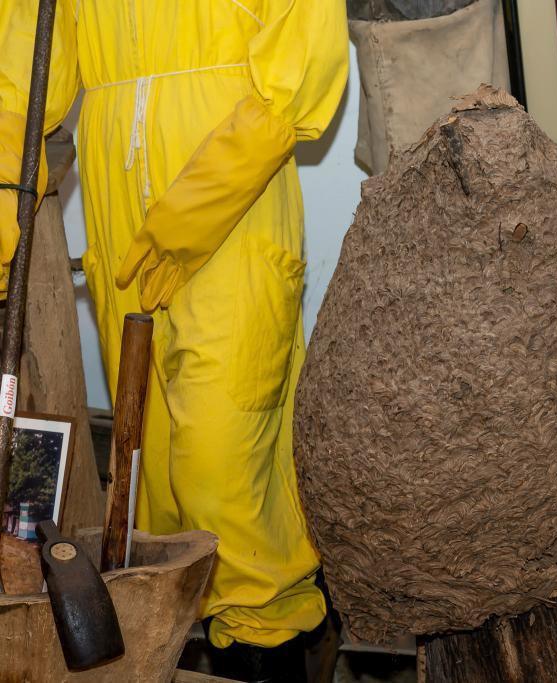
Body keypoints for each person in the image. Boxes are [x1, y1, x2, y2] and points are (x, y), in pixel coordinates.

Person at [1, 1, 348, 678]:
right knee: (148, 464)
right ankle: (180, 641)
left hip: (237, 196)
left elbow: (303, 62)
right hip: (120, 203)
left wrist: (200, 203)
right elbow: (23, 69)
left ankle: (267, 644)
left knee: (224, 454)